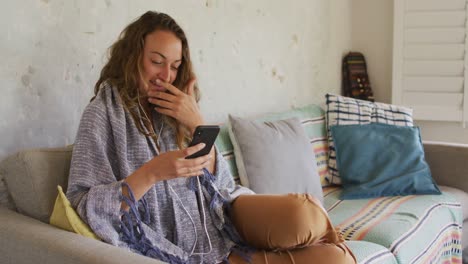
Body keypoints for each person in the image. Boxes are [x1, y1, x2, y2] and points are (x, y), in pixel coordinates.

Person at [66, 11, 356, 264]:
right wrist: (152, 173)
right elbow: (81, 204)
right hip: (171, 250)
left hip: (221, 227)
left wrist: (196, 123)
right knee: (337, 259)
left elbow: (223, 187)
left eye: (176, 66)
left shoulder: (178, 108)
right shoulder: (102, 115)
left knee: (306, 216)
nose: (166, 75)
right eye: (157, 61)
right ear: (132, 58)